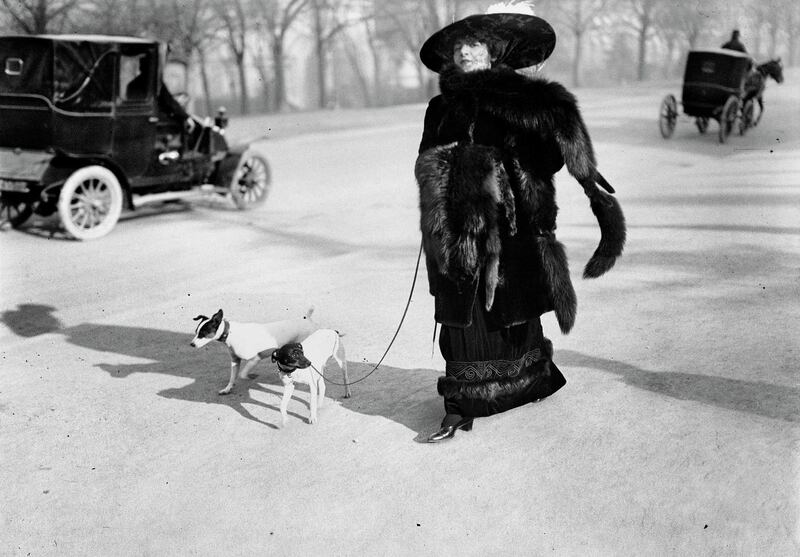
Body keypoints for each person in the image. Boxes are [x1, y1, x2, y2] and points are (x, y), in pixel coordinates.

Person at [415, 5, 626, 443]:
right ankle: (460, 406)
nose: (466, 52)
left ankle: (531, 380)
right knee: (464, 316)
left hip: (510, 229)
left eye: (475, 45)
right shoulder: (439, 108)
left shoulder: (515, 97)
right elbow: (424, 161)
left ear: (492, 53)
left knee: (513, 308)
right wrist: (458, 175)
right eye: (459, 47)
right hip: (456, 230)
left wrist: (540, 129)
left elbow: (545, 158)